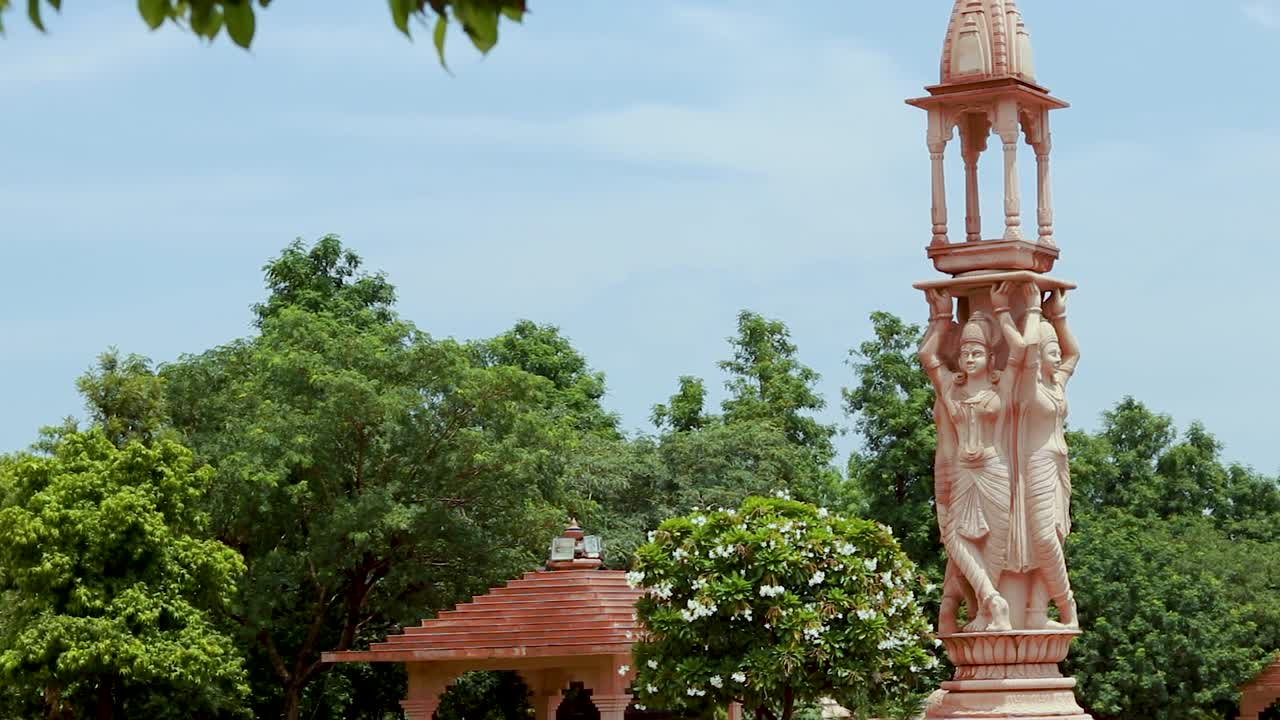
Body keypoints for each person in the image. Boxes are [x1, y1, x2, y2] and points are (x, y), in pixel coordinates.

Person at [919, 288, 1012, 633]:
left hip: (995, 469)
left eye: (976, 352)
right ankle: (991, 598)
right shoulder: (951, 389)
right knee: (954, 537)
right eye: (964, 353)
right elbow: (927, 356)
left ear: (990, 356)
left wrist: (1004, 311)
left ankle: (990, 613)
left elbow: (1022, 353)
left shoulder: (1001, 387)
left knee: (996, 540)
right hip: (961, 472)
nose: (969, 358)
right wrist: (942, 319)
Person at [992, 281, 1080, 629]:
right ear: (1038, 355)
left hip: (1059, 465)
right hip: (1036, 463)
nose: (1057, 351)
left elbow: (1075, 354)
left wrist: (1058, 317)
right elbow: (1025, 348)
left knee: (1056, 535)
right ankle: (1066, 604)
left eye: (1056, 347)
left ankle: (1038, 612)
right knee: (1043, 538)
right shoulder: (1030, 386)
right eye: (1050, 348)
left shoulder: (1057, 383)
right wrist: (1016, 310)